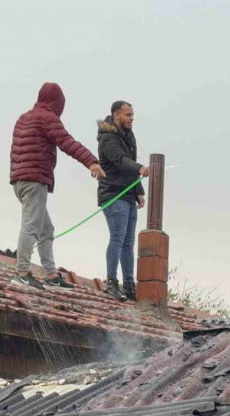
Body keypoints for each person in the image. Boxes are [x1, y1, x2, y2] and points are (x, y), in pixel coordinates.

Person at [10, 82, 106, 290]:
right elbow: (67, 142)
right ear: (57, 103)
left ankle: (51, 275)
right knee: (32, 226)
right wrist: (91, 161)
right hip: (35, 180)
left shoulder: (24, 117)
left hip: (19, 179)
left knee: (46, 229)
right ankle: (22, 273)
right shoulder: (47, 118)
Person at [97, 101, 149, 300]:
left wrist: (138, 190)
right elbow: (120, 161)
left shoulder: (129, 135)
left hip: (128, 195)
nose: (131, 119)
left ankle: (129, 285)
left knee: (129, 241)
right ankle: (112, 282)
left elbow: (130, 166)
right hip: (113, 194)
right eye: (128, 115)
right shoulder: (108, 138)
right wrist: (139, 168)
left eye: (132, 115)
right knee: (117, 238)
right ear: (116, 115)